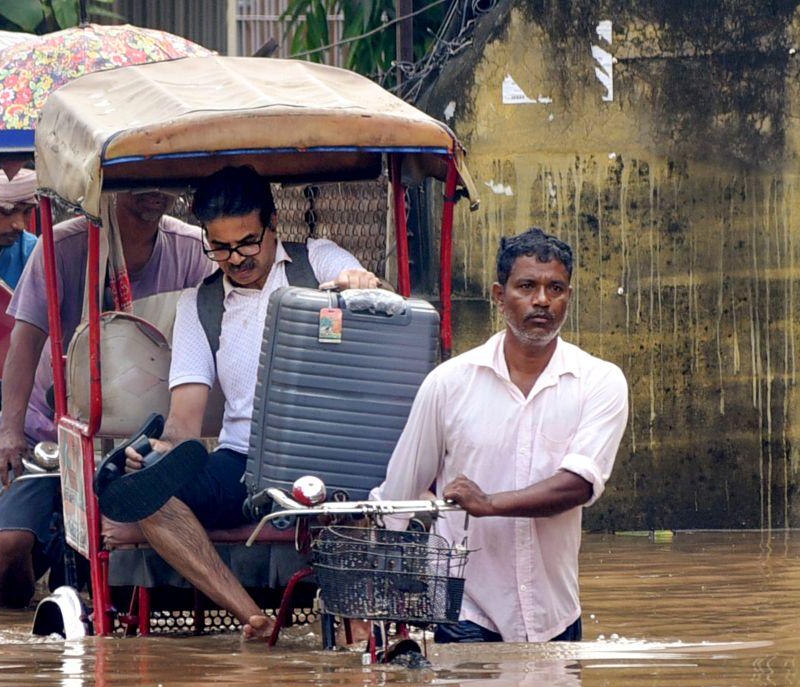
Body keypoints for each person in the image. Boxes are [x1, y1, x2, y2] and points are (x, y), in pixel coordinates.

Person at [124, 165, 381, 638]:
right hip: (244, 463)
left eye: (247, 242)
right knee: (148, 496)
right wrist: (158, 455)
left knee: (381, 492)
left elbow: (362, 285)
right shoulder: (199, 304)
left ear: (273, 225)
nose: (235, 258)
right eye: (219, 247)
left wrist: (360, 284)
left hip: (331, 456)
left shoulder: (316, 262)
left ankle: (361, 631)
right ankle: (253, 617)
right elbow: (184, 421)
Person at [372, 228, 629, 643]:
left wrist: (488, 504)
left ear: (569, 296)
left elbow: (578, 486)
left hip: (555, 615)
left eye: (555, 288)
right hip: (466, 610)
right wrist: (379, 602)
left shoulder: (599, 382)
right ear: (499, 294)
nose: (542, 300)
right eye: (527, 286)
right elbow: (400, 493)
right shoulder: (448, 384)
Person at [0, 190, 214, 608]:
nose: (155, 194)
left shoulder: (191, 249)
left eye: (164, 183)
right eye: (138, 182)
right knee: (10, 548)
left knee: (124, 565)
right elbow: (25, 342)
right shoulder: (62, 247)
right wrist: (11, 430)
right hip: (52, 432)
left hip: (142, 440)